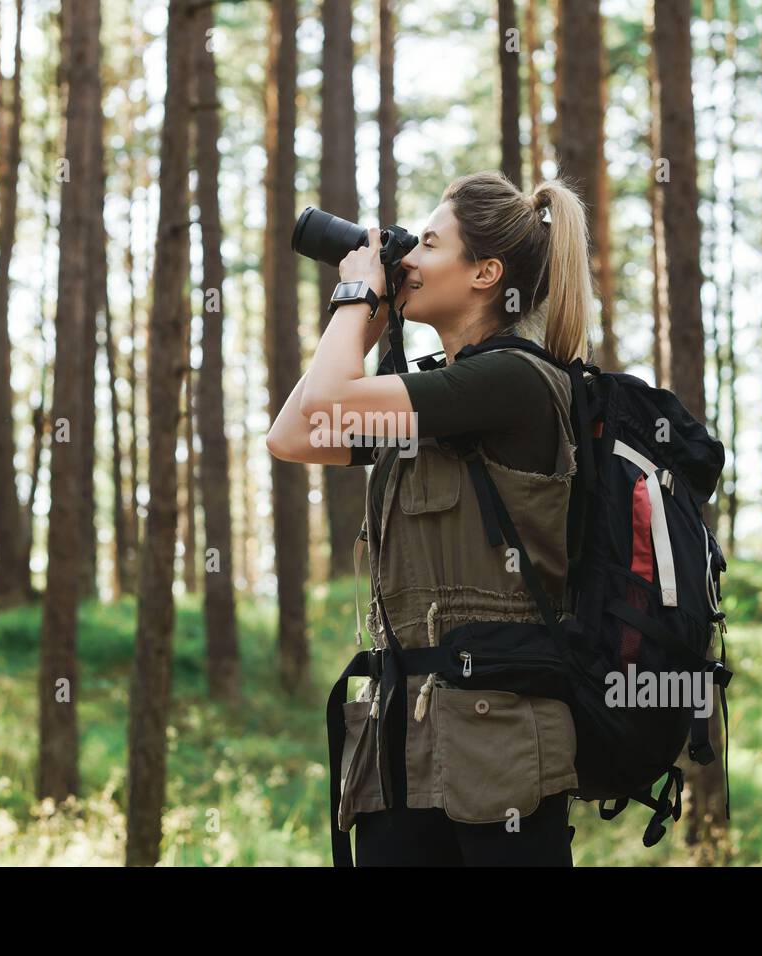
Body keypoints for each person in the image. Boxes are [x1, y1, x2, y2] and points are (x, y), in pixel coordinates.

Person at [267, 170, 600, 866]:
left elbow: (330, 400)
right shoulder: (432, 395)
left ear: (486, 272)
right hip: (401, 748)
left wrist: (357, 293)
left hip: (498, 748)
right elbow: (293, 435)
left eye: (427, 243)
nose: (407, 259)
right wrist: (370, 320)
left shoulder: (514, 382)